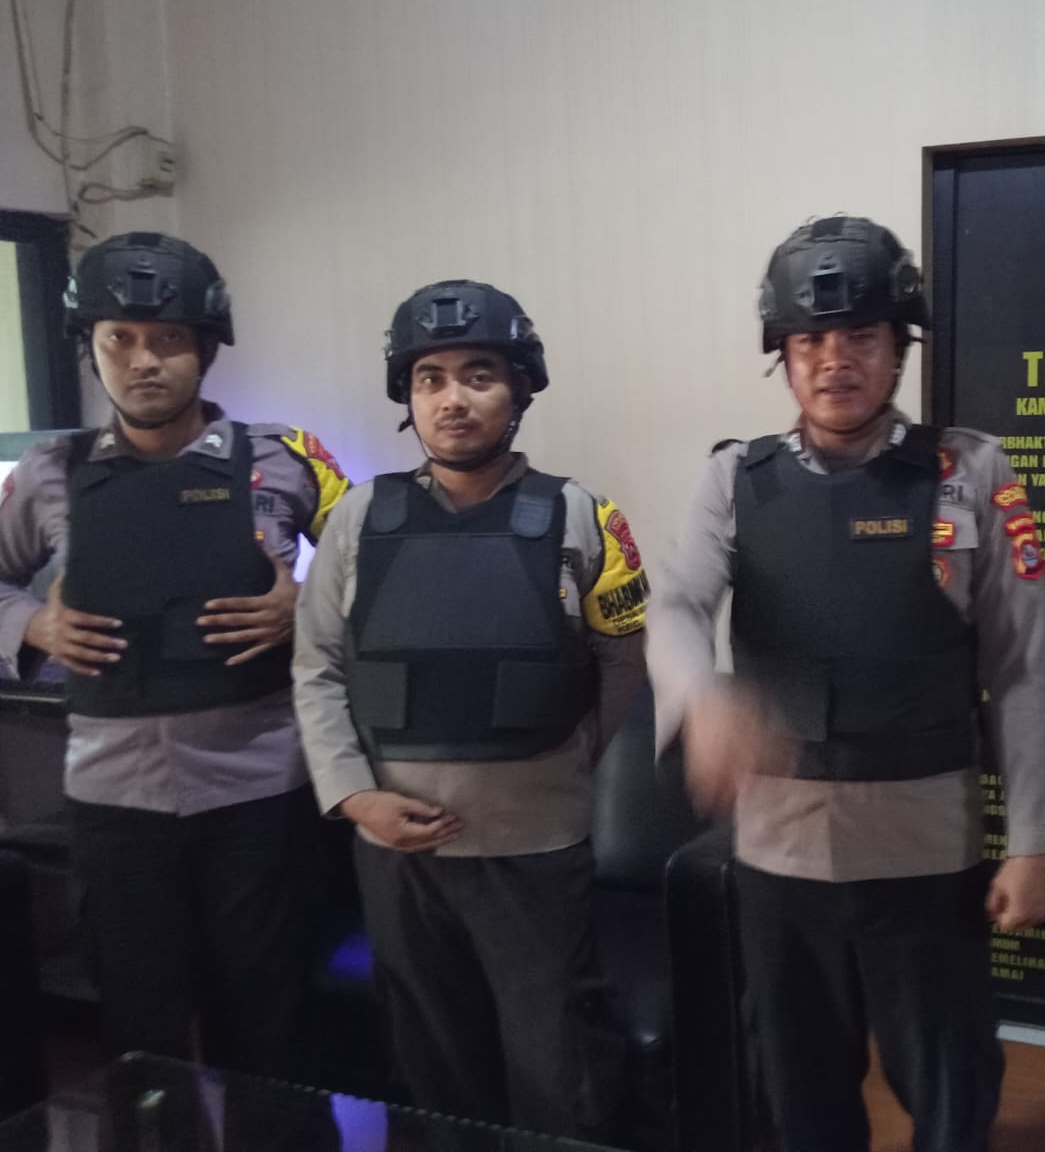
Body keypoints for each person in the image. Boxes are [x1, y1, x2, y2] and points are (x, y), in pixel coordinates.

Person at [647, 216, 1045, 1152]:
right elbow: (677, 605)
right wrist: (700, 697)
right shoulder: (734, 479)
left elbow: (1024, 667)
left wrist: (1037, 842)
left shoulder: (970, 471)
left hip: (926, 850)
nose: (835, 360)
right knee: (798, 1094)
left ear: (900, 347)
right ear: (783, 354)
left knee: (951, 1090)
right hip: (779, 854)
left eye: (860, 336)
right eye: (810, 340)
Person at [292, 279, 647, 1136]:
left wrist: (555, 770)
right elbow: (318, 667)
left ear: (519, 390)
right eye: (431, 378)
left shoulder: (582, 515)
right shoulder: (359, 519)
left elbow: (623, 664)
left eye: (478, 375)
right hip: (396, 854)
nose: (452, 399)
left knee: (556, 1067)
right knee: (431, 1070)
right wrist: (354, 796)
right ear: (409, 397)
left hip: (537, 851)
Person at [0, 232, 348, 1075]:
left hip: (260, 792)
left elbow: (380, 574)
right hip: (114, 801)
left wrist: (305, 607)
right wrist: (32, 626)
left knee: (274, 1036)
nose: (143, 360)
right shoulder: (49, 473)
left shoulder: (288, 459)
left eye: (168, 338)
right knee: (140, 1040)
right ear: (90, 346)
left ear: (207, 347)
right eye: (118, 338)